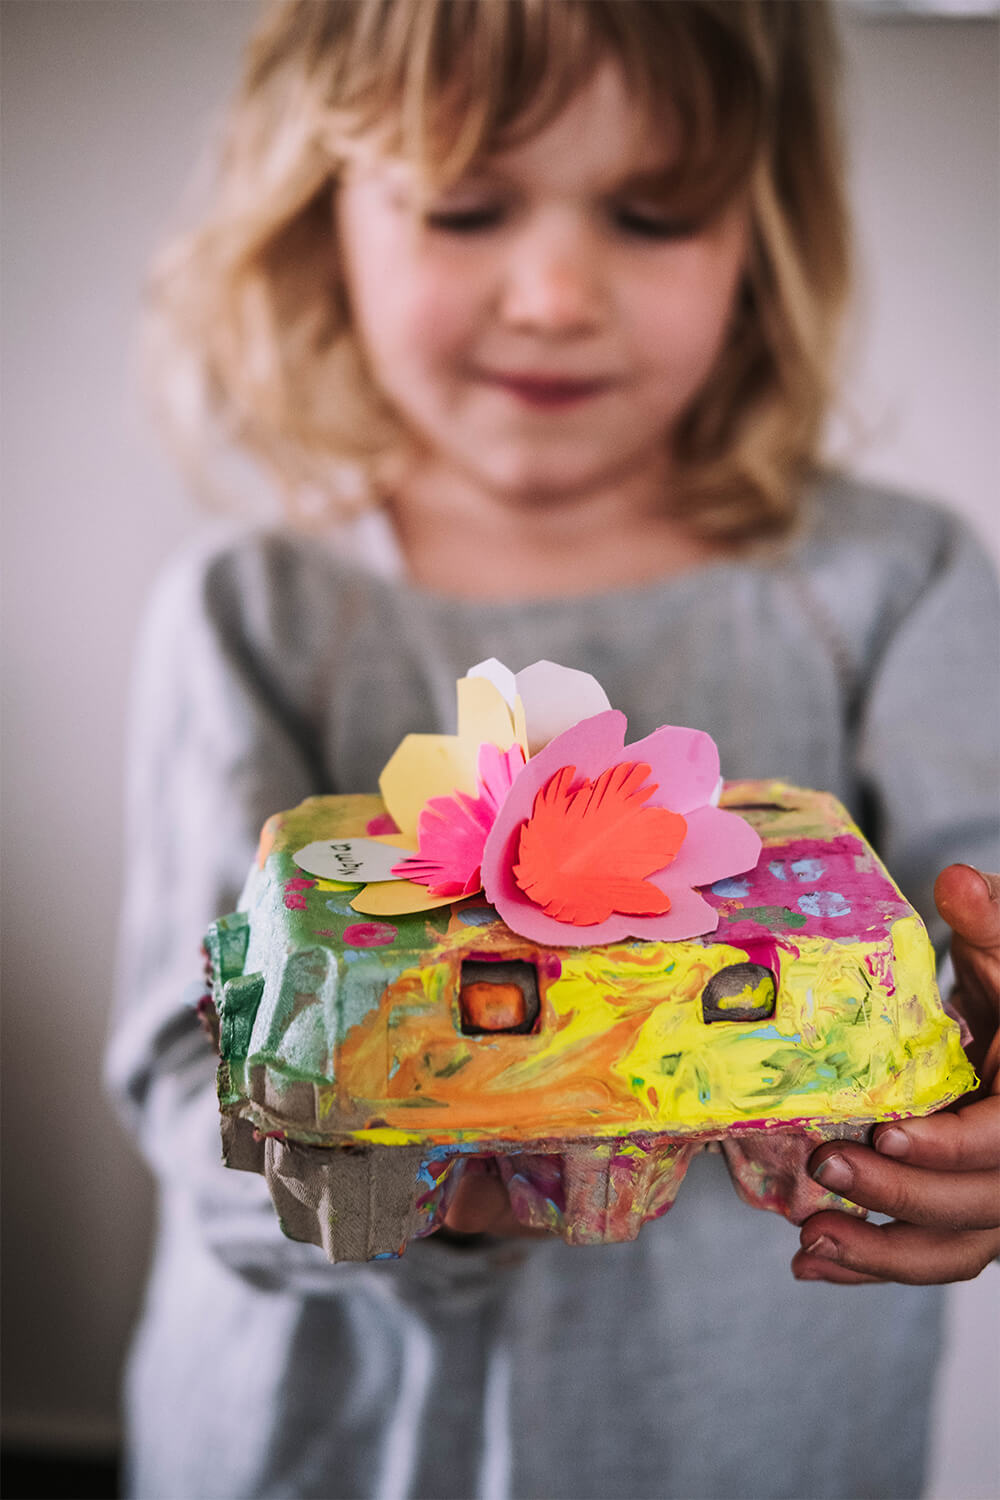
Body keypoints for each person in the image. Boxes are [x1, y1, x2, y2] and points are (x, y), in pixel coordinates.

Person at [106, 3, 1000, 1497]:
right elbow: (181, 1059)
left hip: (744, 1432)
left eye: (651, 214)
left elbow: (969, 944)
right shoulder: (252, 611)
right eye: (466, 205)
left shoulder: (890, 589)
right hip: (335, 1439)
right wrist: (414, 1162)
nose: (552, 293)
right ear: (322, 210)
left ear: (760, 231)